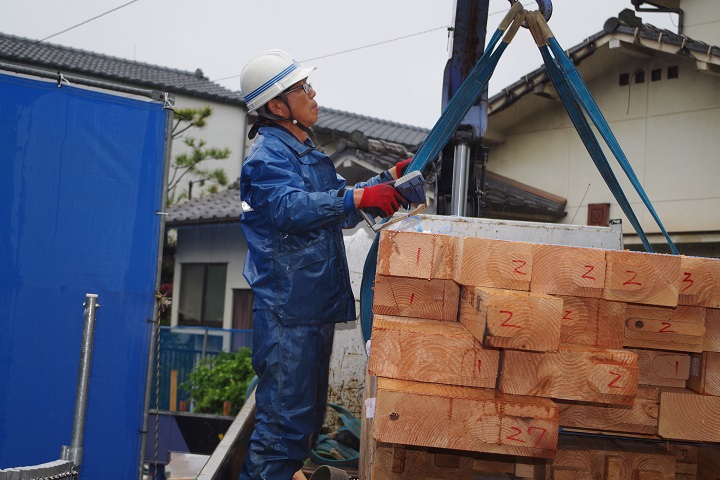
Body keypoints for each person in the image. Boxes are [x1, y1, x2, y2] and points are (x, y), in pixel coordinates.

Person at [238, 49, 412, 480]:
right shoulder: (267, 158)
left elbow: (341, 208)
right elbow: (289, 209)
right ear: (278, 106)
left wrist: (388, 180)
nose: (314, 95)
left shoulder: (305, 155)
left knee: (303, 431)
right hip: (288, 315)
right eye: (303, 89)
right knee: (281, 433)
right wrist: (357, 197)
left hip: (309, 310)